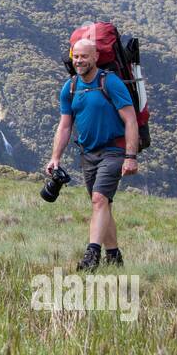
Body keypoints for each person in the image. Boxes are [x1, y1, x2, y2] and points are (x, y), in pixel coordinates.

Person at [46, 37, 139, 270]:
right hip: (88, 154)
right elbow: (65, 126)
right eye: (75, 56)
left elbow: (130, 119)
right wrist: (55, 157)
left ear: (96, 57)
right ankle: (114, 256)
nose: (79, 61)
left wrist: (130, 156)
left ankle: (91, 256)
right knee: (102, 204)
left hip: (113, 151)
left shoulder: (111, 82)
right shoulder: (71, 87)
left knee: (98, 199)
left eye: (84, 56)